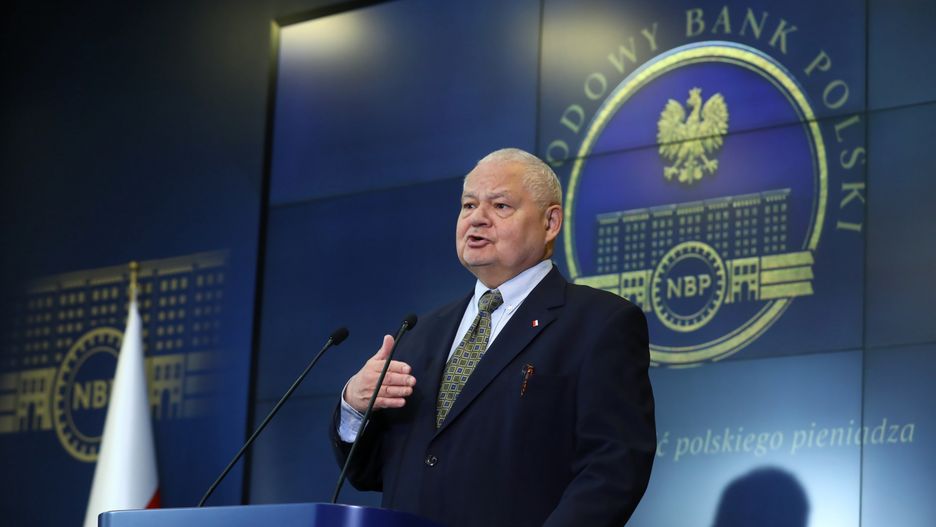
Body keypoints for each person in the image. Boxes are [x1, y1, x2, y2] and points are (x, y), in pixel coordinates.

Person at [331, 148, 655, 526]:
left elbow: (613, 468)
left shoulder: (599, 322)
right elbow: (369, 472)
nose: (477, 218)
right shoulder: (421, 334)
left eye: (500, 206)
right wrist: (355, 407)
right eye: (468, 205)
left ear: (551, 222)